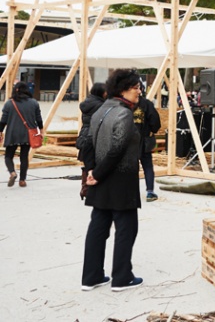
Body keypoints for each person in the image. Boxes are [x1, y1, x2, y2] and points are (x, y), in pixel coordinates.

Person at [81, 69, 143, 292]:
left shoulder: (100, 110)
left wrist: (91, 171)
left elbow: (86, 144)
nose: (139, 91)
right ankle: (121, 277)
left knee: (98, 227)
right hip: (120, 181)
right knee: (127, 229)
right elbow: (117, 149)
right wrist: (95, 174)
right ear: (124, 89)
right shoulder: (124, 114)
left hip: (100, 180)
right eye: (136, 87)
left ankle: (91, 276)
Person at [2, 81, 43, 188]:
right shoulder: (34, 102)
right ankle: (22, 180)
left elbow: (3, 121)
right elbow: (38, 119)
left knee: (8, 156)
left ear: (16, 90)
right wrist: (41, 130)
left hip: (12, 133)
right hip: (28, 134)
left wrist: (0, 131)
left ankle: (12, 172)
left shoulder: (9, 103)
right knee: (24, 157)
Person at [77, 83, 107, 199]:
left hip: (85, 134)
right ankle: (93, 189)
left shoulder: (87, 103)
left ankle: (85, 188)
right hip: (96, 135)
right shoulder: (100, 105)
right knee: (98, 163)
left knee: (88, 163)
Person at [134, 87, 161, 202]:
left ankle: (132, 193)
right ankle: (150, 192)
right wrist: (151, 130)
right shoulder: (147, 104)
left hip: (130, 140)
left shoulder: (124, 104)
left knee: (131, 167)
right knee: (148, 166)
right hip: (144, 139)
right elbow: (155, 121)